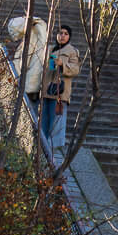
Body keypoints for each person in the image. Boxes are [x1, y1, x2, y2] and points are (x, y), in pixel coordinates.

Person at [42, 22, 81, 159]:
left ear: (69, 36)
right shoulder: (50, 49)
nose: (62, 36)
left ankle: (52, 151)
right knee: (43, 122)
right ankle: (41, 149)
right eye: (60, 33)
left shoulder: (72, 51)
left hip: (60, 93)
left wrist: (62, 64)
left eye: (65, 33)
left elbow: (75, 70)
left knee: (56, 124)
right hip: (46, 91)